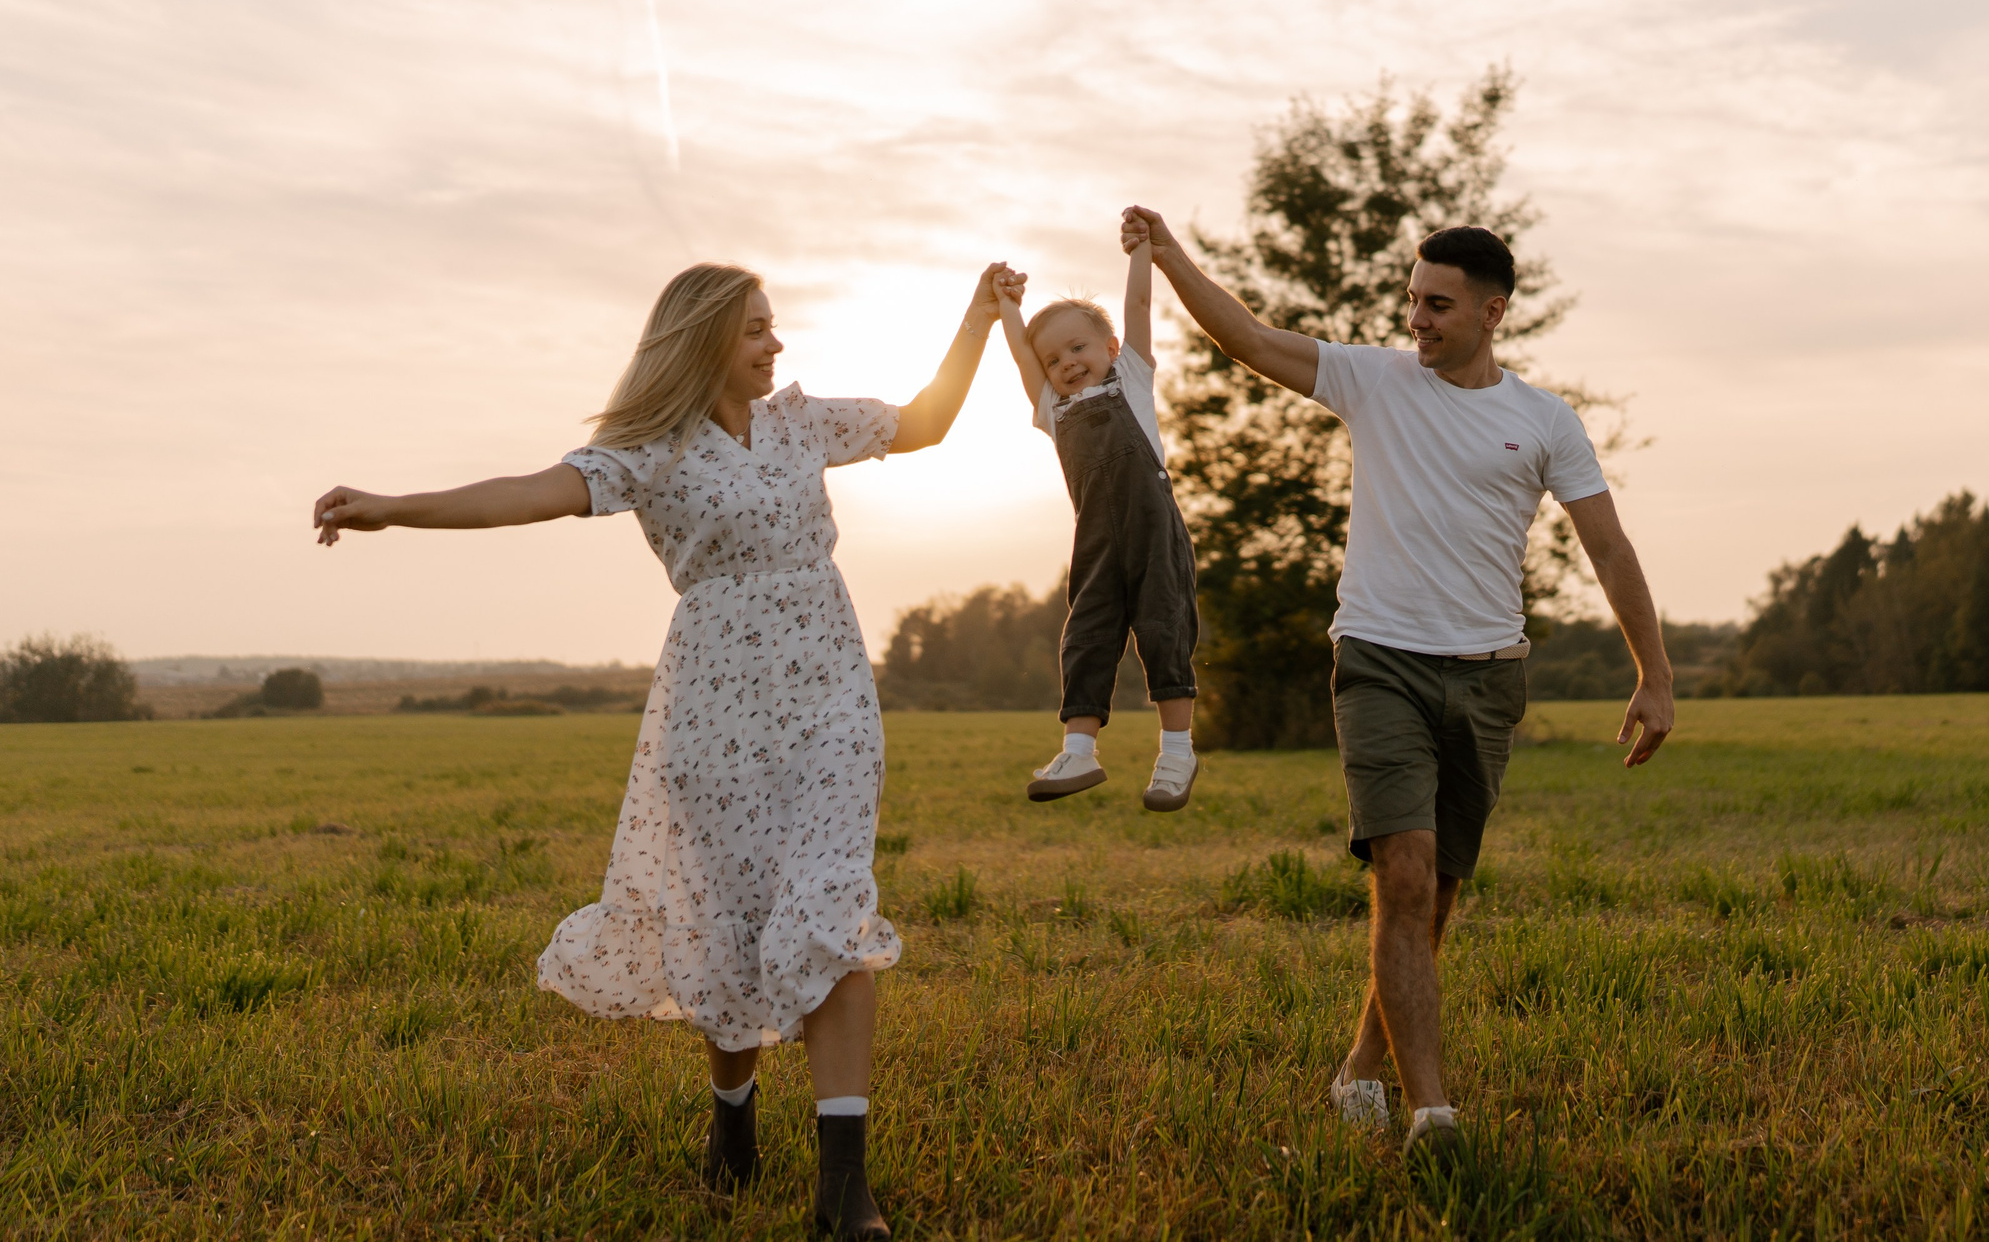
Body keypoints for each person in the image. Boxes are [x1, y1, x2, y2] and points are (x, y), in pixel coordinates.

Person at [311, 260, 1019, 1239]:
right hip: (713, 715)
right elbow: (528, 492)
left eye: (775, 326)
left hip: (829, 703)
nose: (776, 344)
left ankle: (842, 1193)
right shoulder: (652, 452)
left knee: (829, 905)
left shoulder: (806, 423)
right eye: (757, 330)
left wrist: (976, 319)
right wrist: (394, 507)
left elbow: (927, 419)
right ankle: (734, 1123)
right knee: (728, 935)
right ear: (705, 344)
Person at [1120, 206, 1676, 1154]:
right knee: (1404, 874)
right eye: (1412, 299)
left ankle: (1359, 1071)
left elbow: (1609, 547)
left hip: (1492, 678)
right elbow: (1250, 337)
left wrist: (1653, 674)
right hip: (1379, 661)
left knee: (1437, 895)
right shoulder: (1374, 380)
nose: (1416, 319)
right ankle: (1433, 1116)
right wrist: (1171, 257)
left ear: (1493, 311)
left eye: (1439, 305)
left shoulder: (1543, 421)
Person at [997, 230, 1203, 811]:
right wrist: (1007, 305)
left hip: (1152, 527)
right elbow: (1020, 352)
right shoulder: (1052, 410)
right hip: (1095, 540)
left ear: (1111, 347)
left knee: (1164, 627)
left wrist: (1142, 250)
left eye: (1078, 348)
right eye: (1054, 359)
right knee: (1085, 636)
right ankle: (1080, 751)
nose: (1067, 364)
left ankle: (1176, 753)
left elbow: (1139, 306)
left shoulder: (1131, 380)